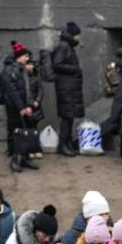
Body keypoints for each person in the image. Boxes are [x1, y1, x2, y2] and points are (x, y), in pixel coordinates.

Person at [1, 41, 40, 173]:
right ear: (19, 57)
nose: (28, 59)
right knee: (15, 133)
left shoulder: (22, 69)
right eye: (25, 56)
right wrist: (21, 107)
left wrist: (29, 106)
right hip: (13, 108)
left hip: (24, 108)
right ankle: (14, 160)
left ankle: (25, 158)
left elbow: (28, 90)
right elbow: (11, 91)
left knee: (26, 132)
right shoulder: (8, 71)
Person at [51, 22, 84, 157]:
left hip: (70, 88)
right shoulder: (63, 46)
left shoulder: (68, 46)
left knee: (69, 117)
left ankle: (68, 144)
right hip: (66, 88)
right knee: (66, 117)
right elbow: (57, 64)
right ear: (72, 35)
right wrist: (76, 69)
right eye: (78, 35)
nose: (79, 37)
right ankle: (62, 146)